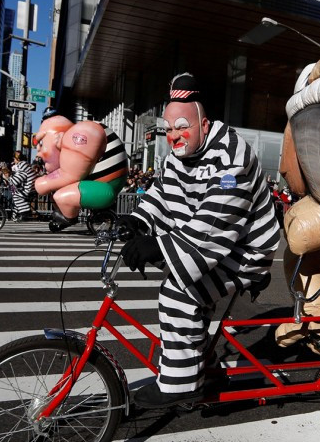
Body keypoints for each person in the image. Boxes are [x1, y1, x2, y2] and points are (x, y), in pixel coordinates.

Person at [116, 72, 282, 408]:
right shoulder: (176, 156)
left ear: (204, 125)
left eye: (182, 126)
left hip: (245, 250)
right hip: (212, 247)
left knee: (178, 293)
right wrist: (139, 219)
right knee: (190, 289)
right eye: (169, 128)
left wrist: (159, 245)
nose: (174, 135)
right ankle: (197, 363)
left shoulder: (231, 156)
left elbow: (216, 221)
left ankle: (180, 385)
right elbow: (163, 193)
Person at [8, 150, 37, 220]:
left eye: (14, 159)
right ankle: (14, 216)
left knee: (16, 196)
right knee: (14, 194)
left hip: (28, 190)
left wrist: (8, 176)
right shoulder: (25, 165)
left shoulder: (22, 166)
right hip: (30, 188)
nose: (13, 161)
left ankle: (25, 211)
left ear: (17, 159)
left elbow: (16, 181)